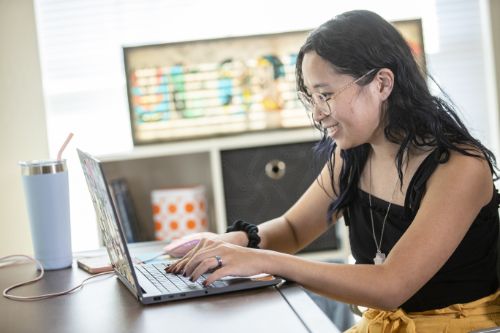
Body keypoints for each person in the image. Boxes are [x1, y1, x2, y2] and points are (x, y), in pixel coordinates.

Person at [166, 10, 500, 332]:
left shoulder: (460, 166)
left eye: (325, 95)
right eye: (310, 97)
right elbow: (294, 229)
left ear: (382, 84)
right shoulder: (351, 154)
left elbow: (391, 286)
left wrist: (263, 260)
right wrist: (236, 242)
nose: (317, 113)